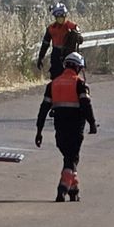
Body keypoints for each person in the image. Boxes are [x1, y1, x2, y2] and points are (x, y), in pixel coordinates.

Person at [35, 51, 99, 202]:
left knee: (69, 159)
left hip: (60, 130)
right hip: (76, 129)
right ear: (78, 67)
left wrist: (39, 131)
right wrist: (92, 124)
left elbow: (43, 109)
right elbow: (86, 105)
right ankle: (62, 188)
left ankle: (73, 190)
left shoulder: (53, 84)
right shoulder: (80, 84)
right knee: (72, 159)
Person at [36, 3, 82, 78]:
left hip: (69, 55)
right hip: (56, 54)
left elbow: (80, 40)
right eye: (58, 17)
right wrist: (40, 57)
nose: (60, 19)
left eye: (62, 16)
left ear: (65, 16)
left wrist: (77, 36)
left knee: (71, 77)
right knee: (55, 77)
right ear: (55, 17)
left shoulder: (72, 26)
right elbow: (45, 44)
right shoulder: (51, 28)